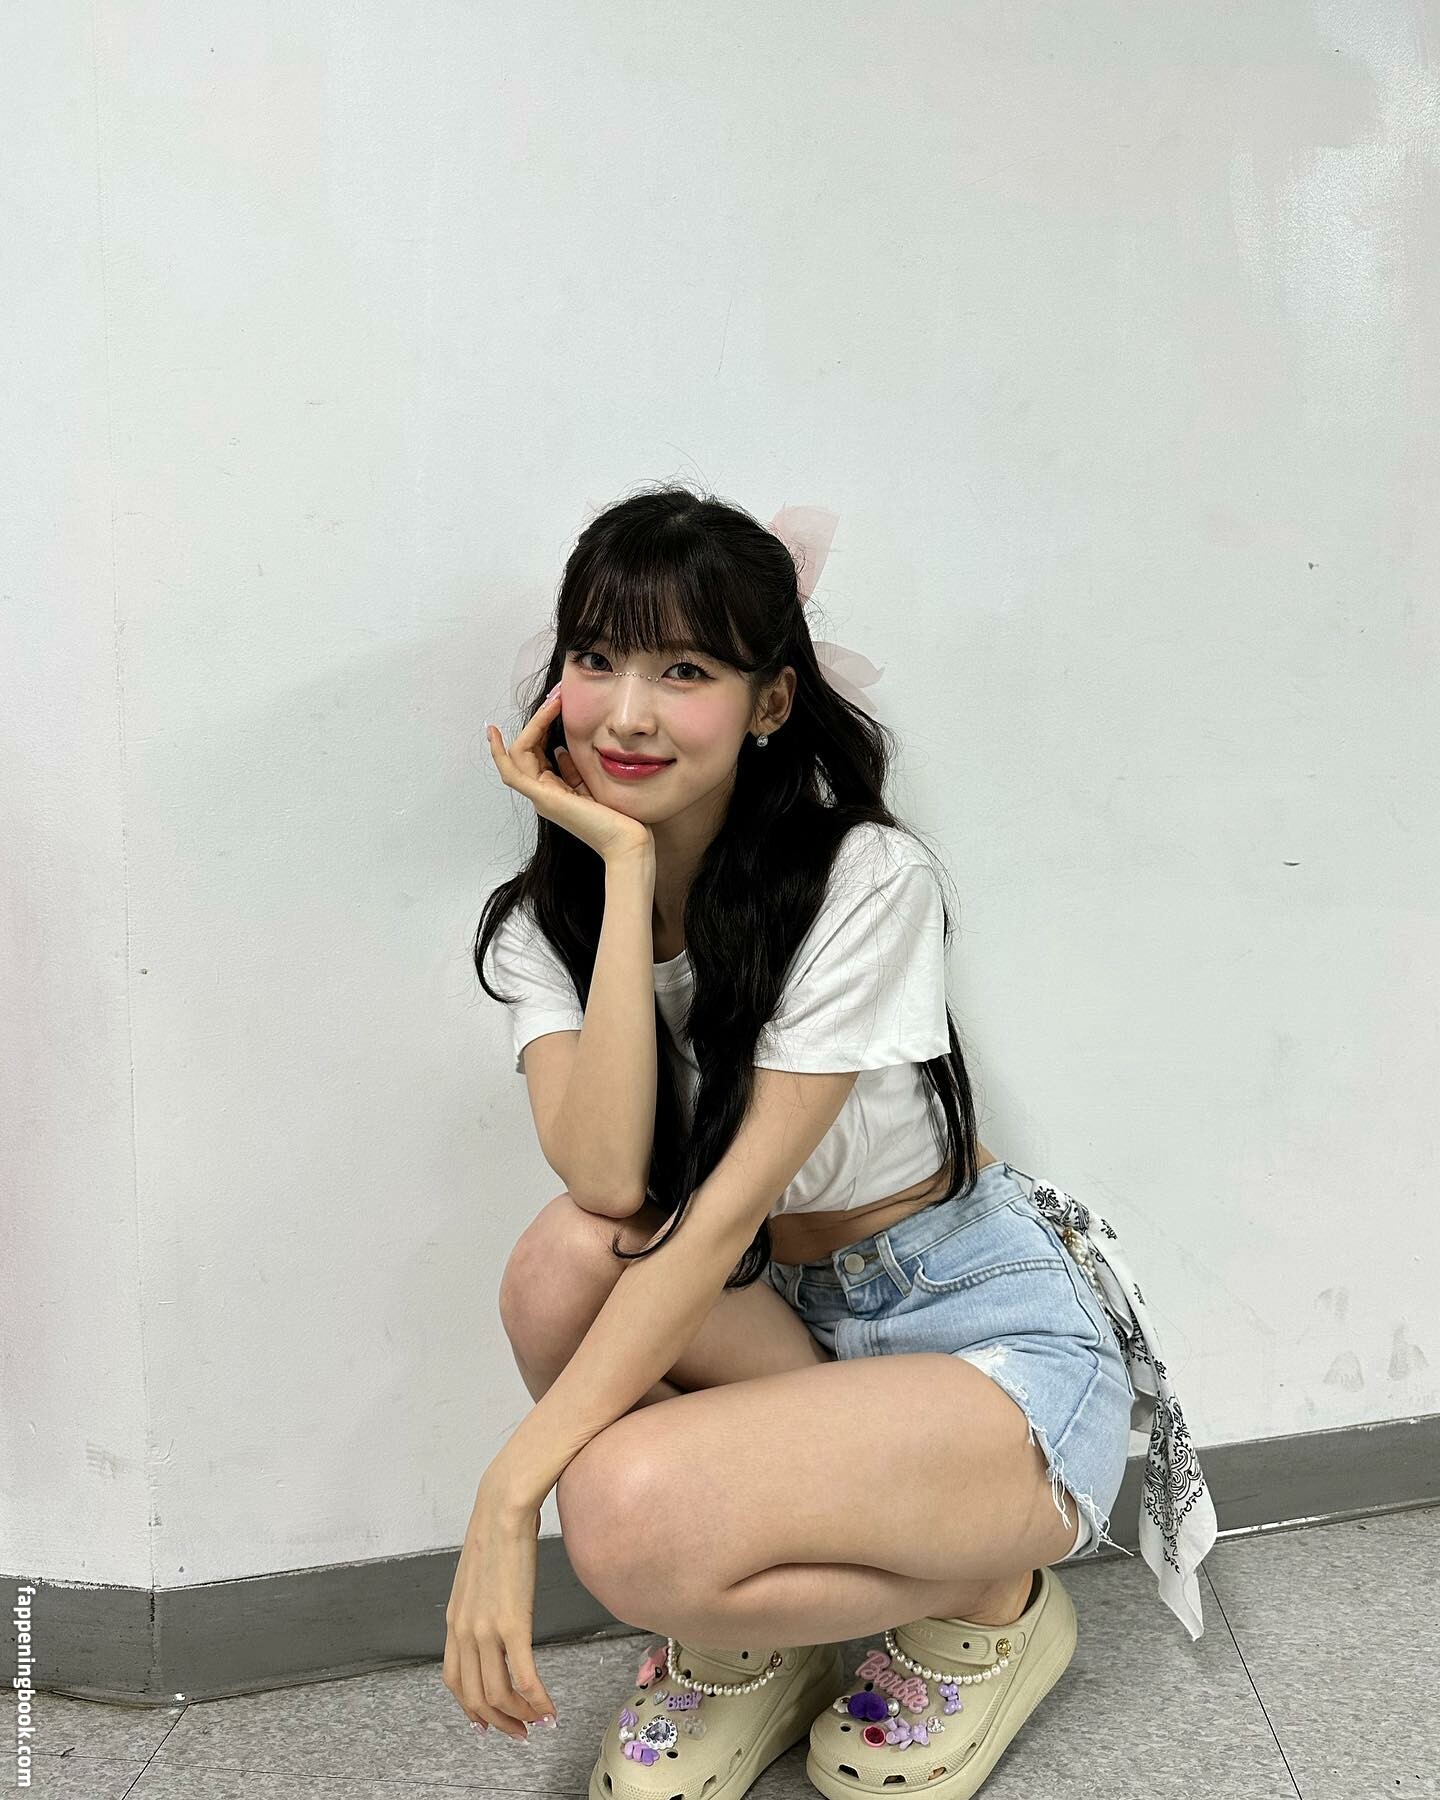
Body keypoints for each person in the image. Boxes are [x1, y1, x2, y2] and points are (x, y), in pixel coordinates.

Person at [446, 485, 1215, 1800]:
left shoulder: (863, 879)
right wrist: (623, 873)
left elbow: (722, 1211)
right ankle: (757, 1639)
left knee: (617, 1513)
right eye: (596, 659)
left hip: (971, 1318)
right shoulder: (547, 924)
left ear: (771, 703)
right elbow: (613, 1182)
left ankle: (990, 1604)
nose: (625, 713)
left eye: (684, 670)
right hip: (775, 1304)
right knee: (561, 1261)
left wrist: (512, 1489)